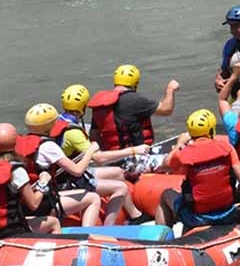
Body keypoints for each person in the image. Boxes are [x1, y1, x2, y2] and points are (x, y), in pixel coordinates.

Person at [54, 84, 149, 225]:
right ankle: (107, 227)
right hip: (69, 181)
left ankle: (134, 215)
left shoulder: (58, 121)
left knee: (118, 172)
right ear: (83, 107)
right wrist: (134, 150)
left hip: (69, 174)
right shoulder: (73, 133)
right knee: (121, 187)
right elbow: (99, 158)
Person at [155, 109, 240, 231]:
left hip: (198, 217)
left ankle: (162, 239)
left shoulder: (183, 154)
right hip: (227, 212)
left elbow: (164, 166)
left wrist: (179, 144)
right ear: (211, 130)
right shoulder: (227, 148)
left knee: (166, 194)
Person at [0, 123, 60, 241]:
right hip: (11, 231)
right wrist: (43, 183)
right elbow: (34, 204)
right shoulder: (16, 170)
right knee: (54, 222)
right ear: (15, 142)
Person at [17, 103, 104, 227]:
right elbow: (77, 171)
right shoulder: (48, 146)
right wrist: (90, 151)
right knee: (93, 198)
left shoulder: (22, 142)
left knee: (82, 193)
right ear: (49, 126)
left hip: (26, 199)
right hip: (43, 203)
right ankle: (85, 238)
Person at [88, 64, 178, 151]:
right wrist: (170, 89)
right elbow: (166, 110)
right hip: (136, 156)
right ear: (135, 83)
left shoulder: (101, 103)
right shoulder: (135, 100)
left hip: (111, 157)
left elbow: (93, 135)